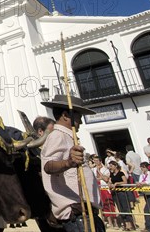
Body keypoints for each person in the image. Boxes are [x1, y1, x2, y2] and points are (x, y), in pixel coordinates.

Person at [40, 94, 105, 232]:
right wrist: (69, 162)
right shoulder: (58, 135)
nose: (81, 121)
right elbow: (48, 166)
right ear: (65, 115)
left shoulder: (69, 137)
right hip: (77, 215)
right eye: (78, 116)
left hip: (86, 214)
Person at [108, 160, 135, 230]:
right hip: (115, 193)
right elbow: (110, 181)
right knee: (120, 209)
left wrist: (117, 183)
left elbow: (125, 181)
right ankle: (125, 224)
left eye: (111, 166)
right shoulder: (111, 174)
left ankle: (130, 224)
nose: (110, 167)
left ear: (115, 166)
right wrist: (110, 184)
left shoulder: (120, 173)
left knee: (126, 208)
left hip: (122, 192)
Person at [92, 155, 118, 229]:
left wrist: (99, 172)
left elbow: (106, 179)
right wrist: (99, 177)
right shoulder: (93, 169)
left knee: (110, 205)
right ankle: (110, 222)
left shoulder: (105, 169)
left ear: (100, 161)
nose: (95, 162)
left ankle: (115, 222)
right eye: (94, 161)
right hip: (98, 189)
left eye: (97, 161)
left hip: (105, 188)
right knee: (104, 206)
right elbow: (94, 178)